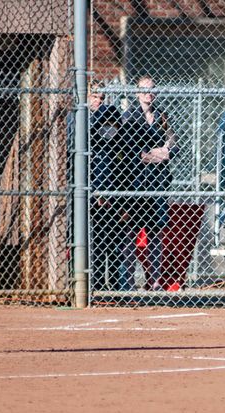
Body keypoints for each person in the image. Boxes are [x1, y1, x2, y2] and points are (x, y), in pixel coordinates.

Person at [119, 75, 177, 290]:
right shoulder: (129, 117)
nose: (148, 94)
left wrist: (164, 152)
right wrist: (151, 154)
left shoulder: (162, 116)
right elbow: (130, 151)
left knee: (155, 233)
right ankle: (128, 283)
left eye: (152, 89)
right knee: (130, 233)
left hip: (158, 183)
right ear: (137, 93)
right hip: (135, 183)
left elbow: (174, 144)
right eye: (144, 90)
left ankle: (154, 281)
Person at [89, 81, 123, 291]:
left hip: (111, 191)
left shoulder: (110, 116)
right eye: (95, 97)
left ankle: (115, 285)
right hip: (90, 190)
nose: (98, 102)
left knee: (114, 240)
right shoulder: (79, 119)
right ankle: (96, 282)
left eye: (101, 98)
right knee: (96, 241)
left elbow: (111, 136)